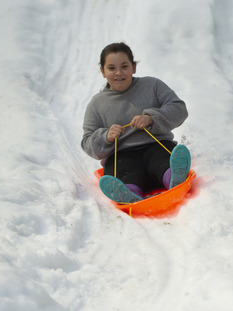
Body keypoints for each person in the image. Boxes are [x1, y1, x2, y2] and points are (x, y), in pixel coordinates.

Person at [81, 42, 191, 203]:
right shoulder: (96, 105)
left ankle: (173, 177)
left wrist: (152, 118)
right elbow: (87, 143)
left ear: (134, 67)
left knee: (162, 159)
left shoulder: (152, 85)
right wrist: (106, 137)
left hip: (156, 145)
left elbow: (179, 109)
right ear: (103, 71)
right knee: (124, 169)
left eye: (124, 66)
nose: (119, 73)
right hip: (122, 156)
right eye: (111, 68)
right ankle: (128, 192)